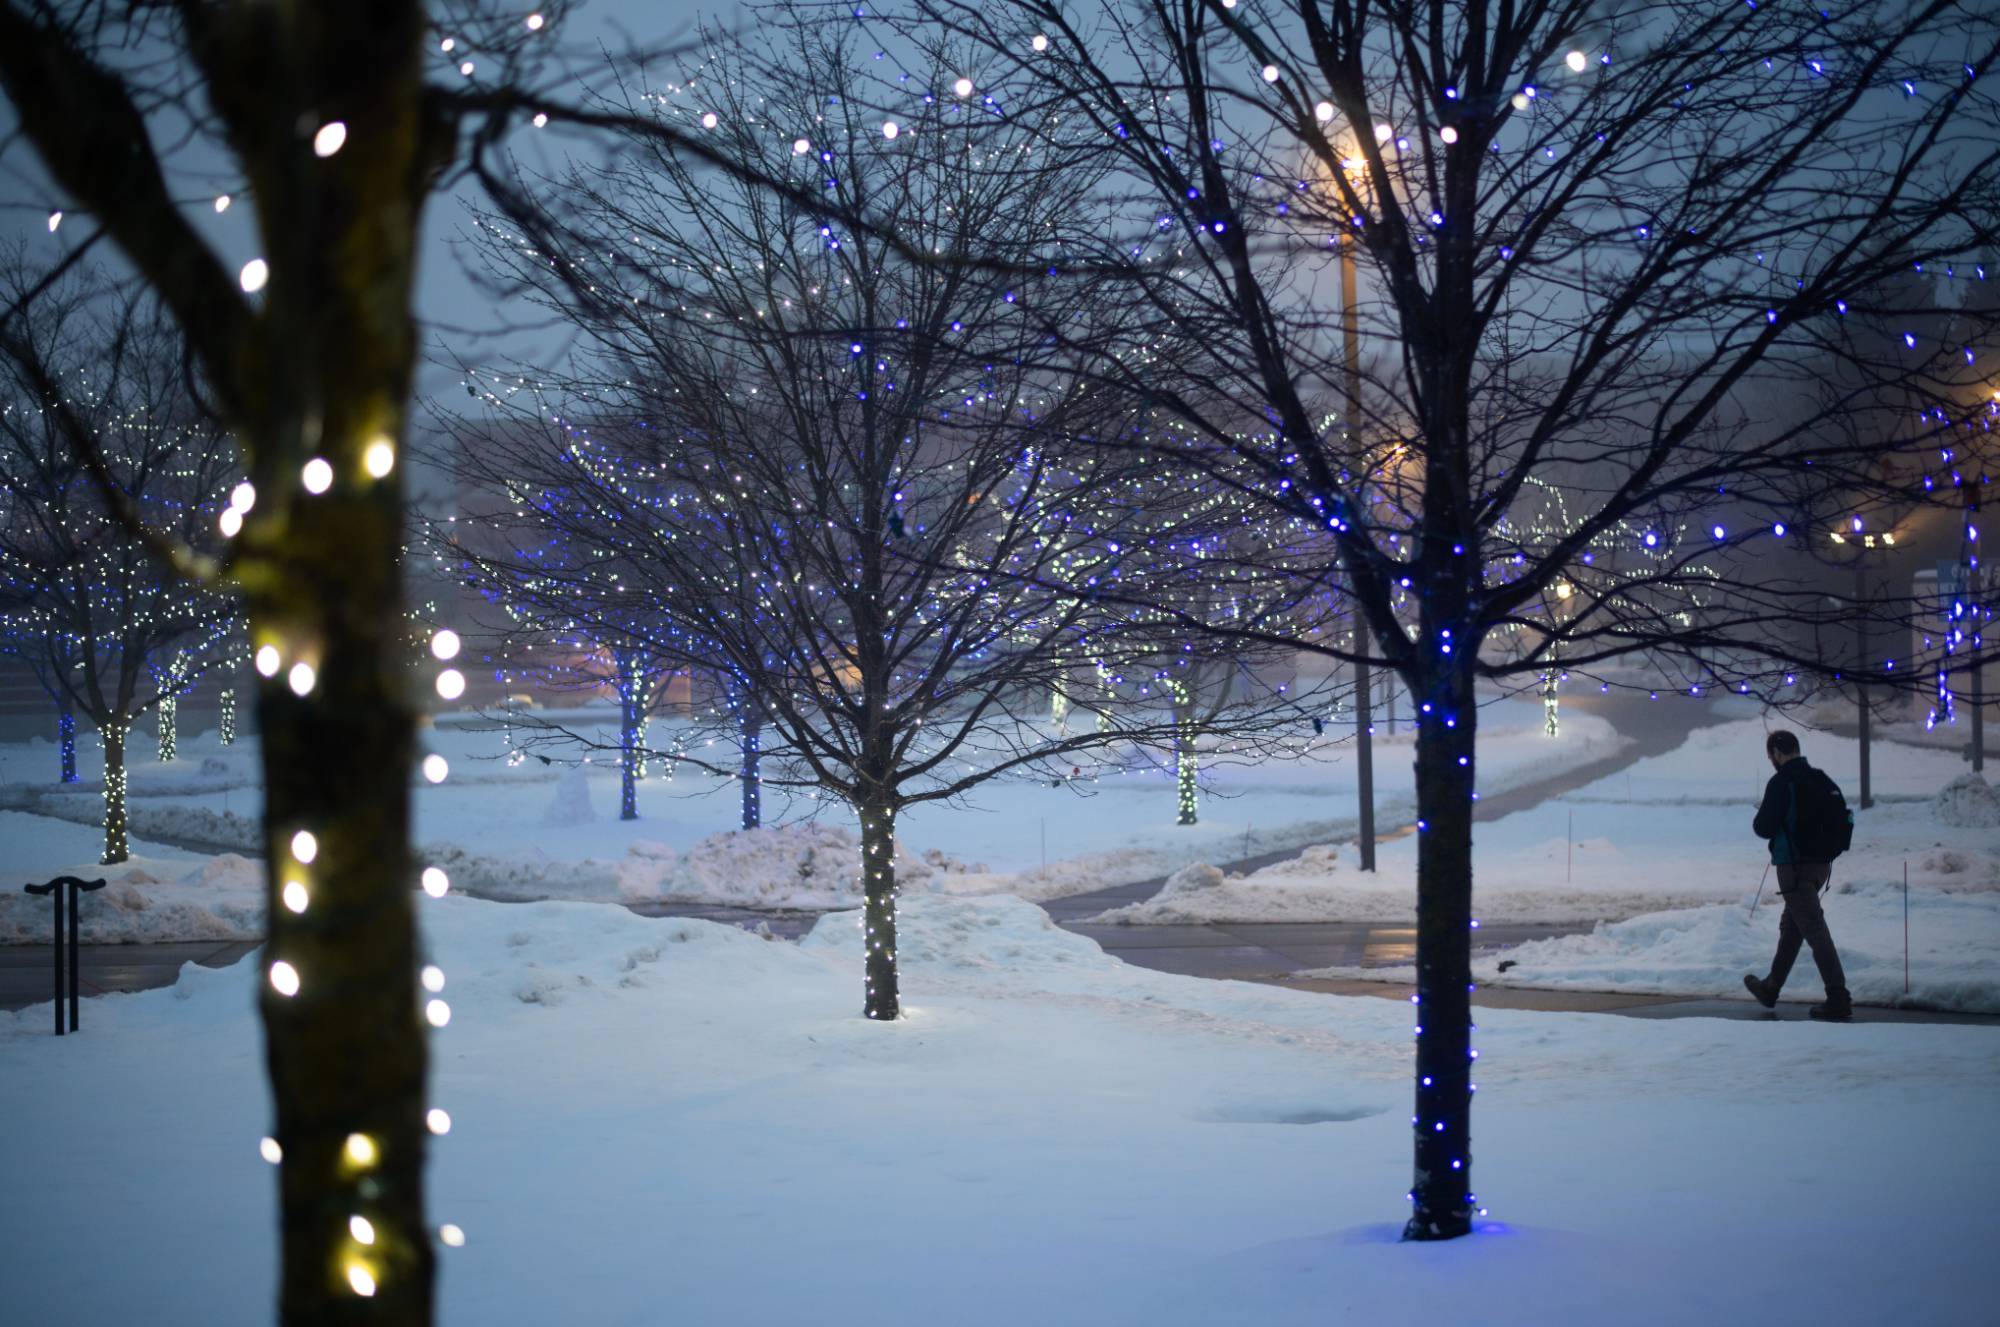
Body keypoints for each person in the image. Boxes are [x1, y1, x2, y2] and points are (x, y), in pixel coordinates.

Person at [1743, 730, 1853, 1021]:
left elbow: (1764, 828)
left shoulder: (1781, 783)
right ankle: (1771, 987)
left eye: (1771, 757)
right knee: (1793, 926)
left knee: (1814, 929)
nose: (1772, 762)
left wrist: (1764, 813)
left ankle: (1838, 997)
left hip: (1794, 867)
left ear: (1777, 754)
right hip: (1821, 866)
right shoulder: (1820, 778)